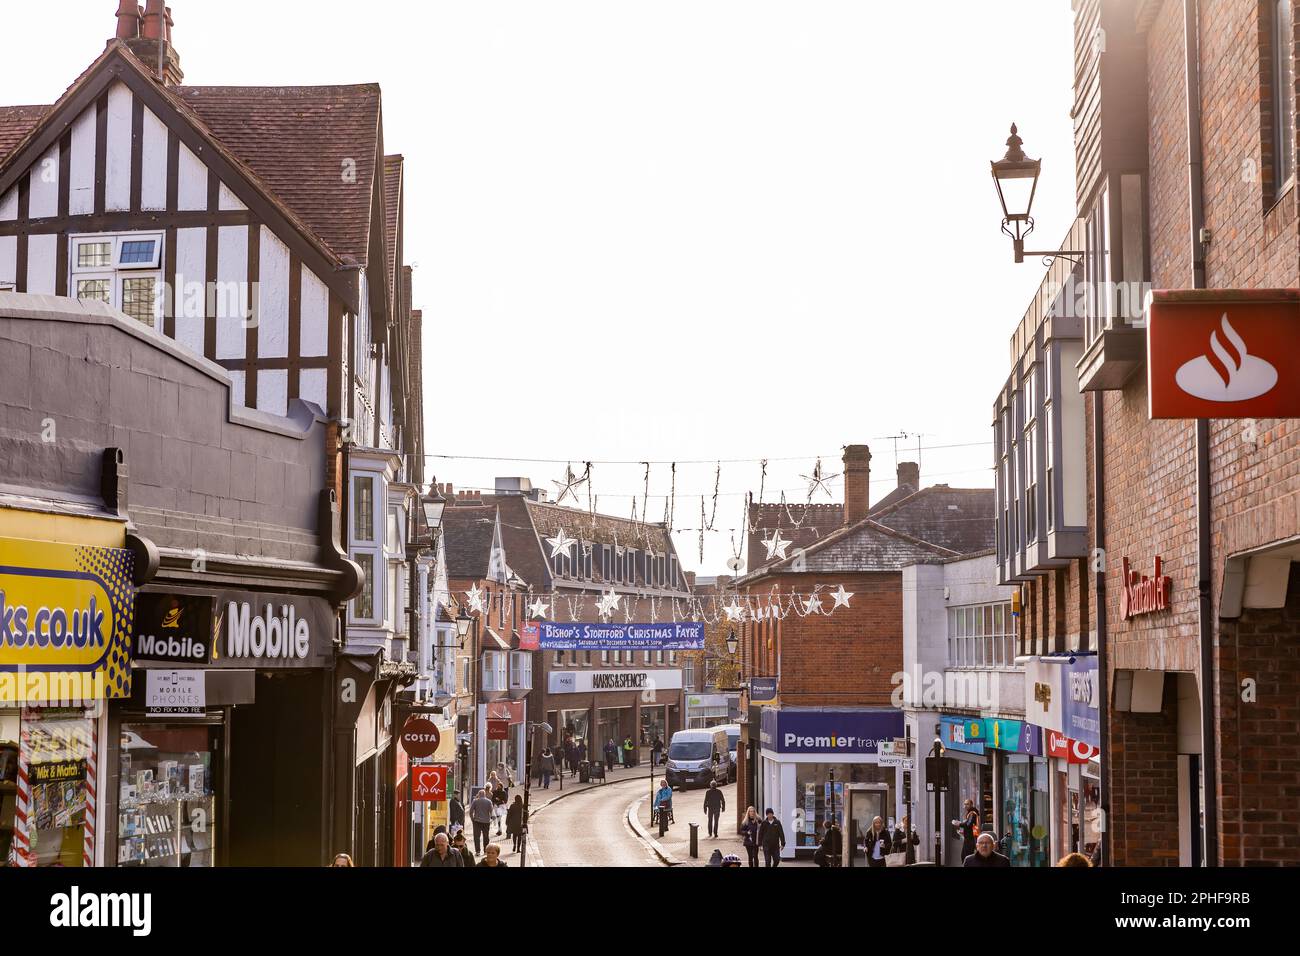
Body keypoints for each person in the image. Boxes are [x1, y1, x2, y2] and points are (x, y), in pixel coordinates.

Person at [469, 787, 495, 854]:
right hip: (486, 822)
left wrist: (472, 819)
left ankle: (478, 851)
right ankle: (485, 851)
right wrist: (492, 820)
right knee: (486, 836)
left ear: (478, 794)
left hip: (477, 821)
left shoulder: (475, 801)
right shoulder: (489, 802)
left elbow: (470, 811)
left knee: (476, 837)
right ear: (485, 794)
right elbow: (492, 812)